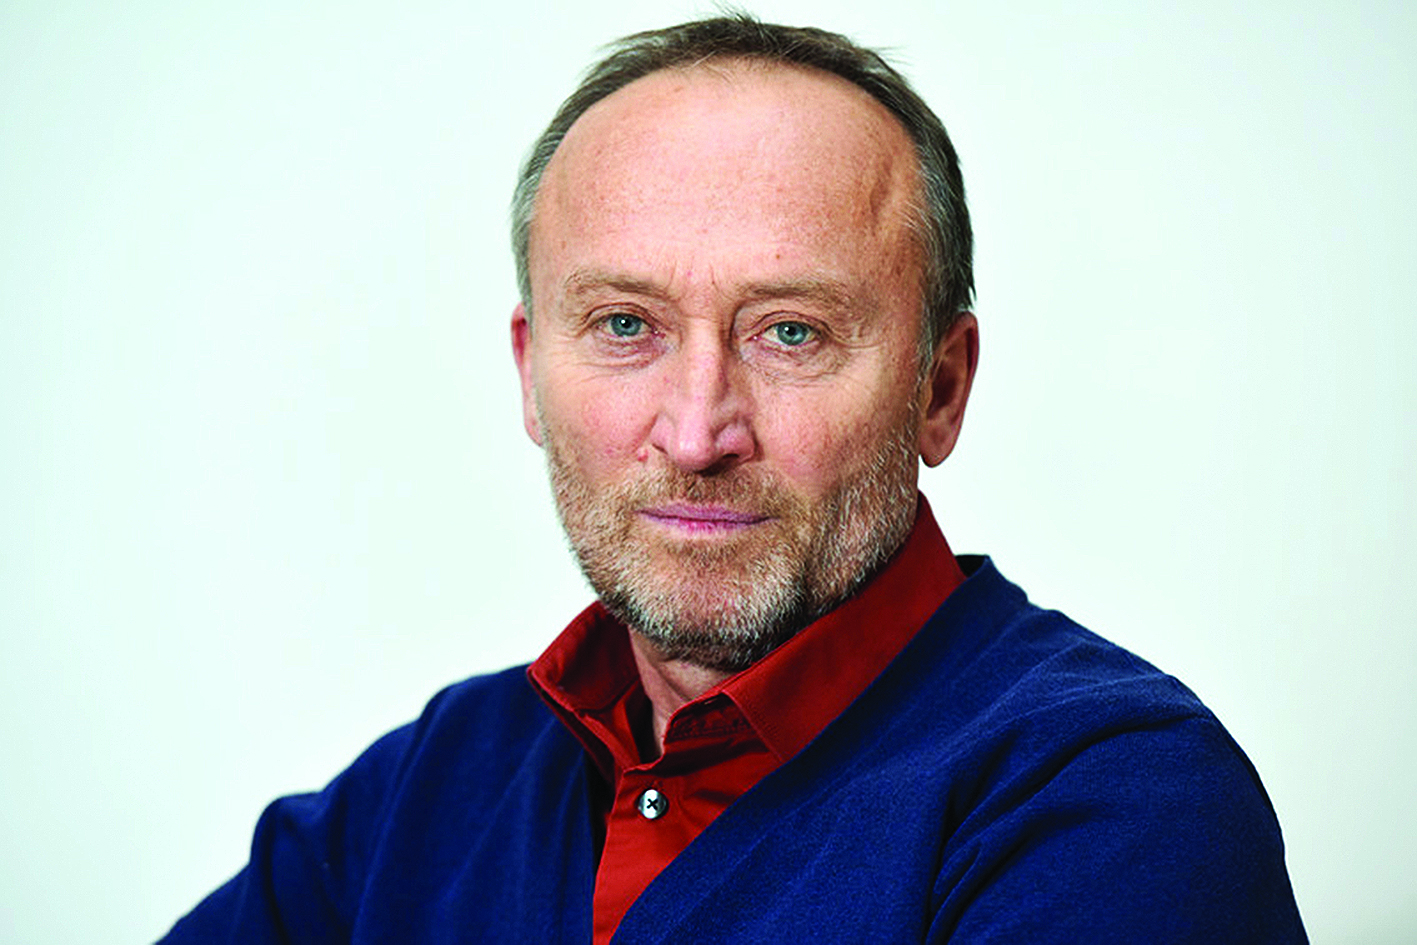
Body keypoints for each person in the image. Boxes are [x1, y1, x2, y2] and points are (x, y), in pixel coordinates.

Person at [161, 14, 1306, 944]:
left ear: (939, 388)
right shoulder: (427, 791)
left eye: (790, 333)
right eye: (624, 324)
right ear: (529, 373)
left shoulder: (1112, 804)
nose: (697, 431)